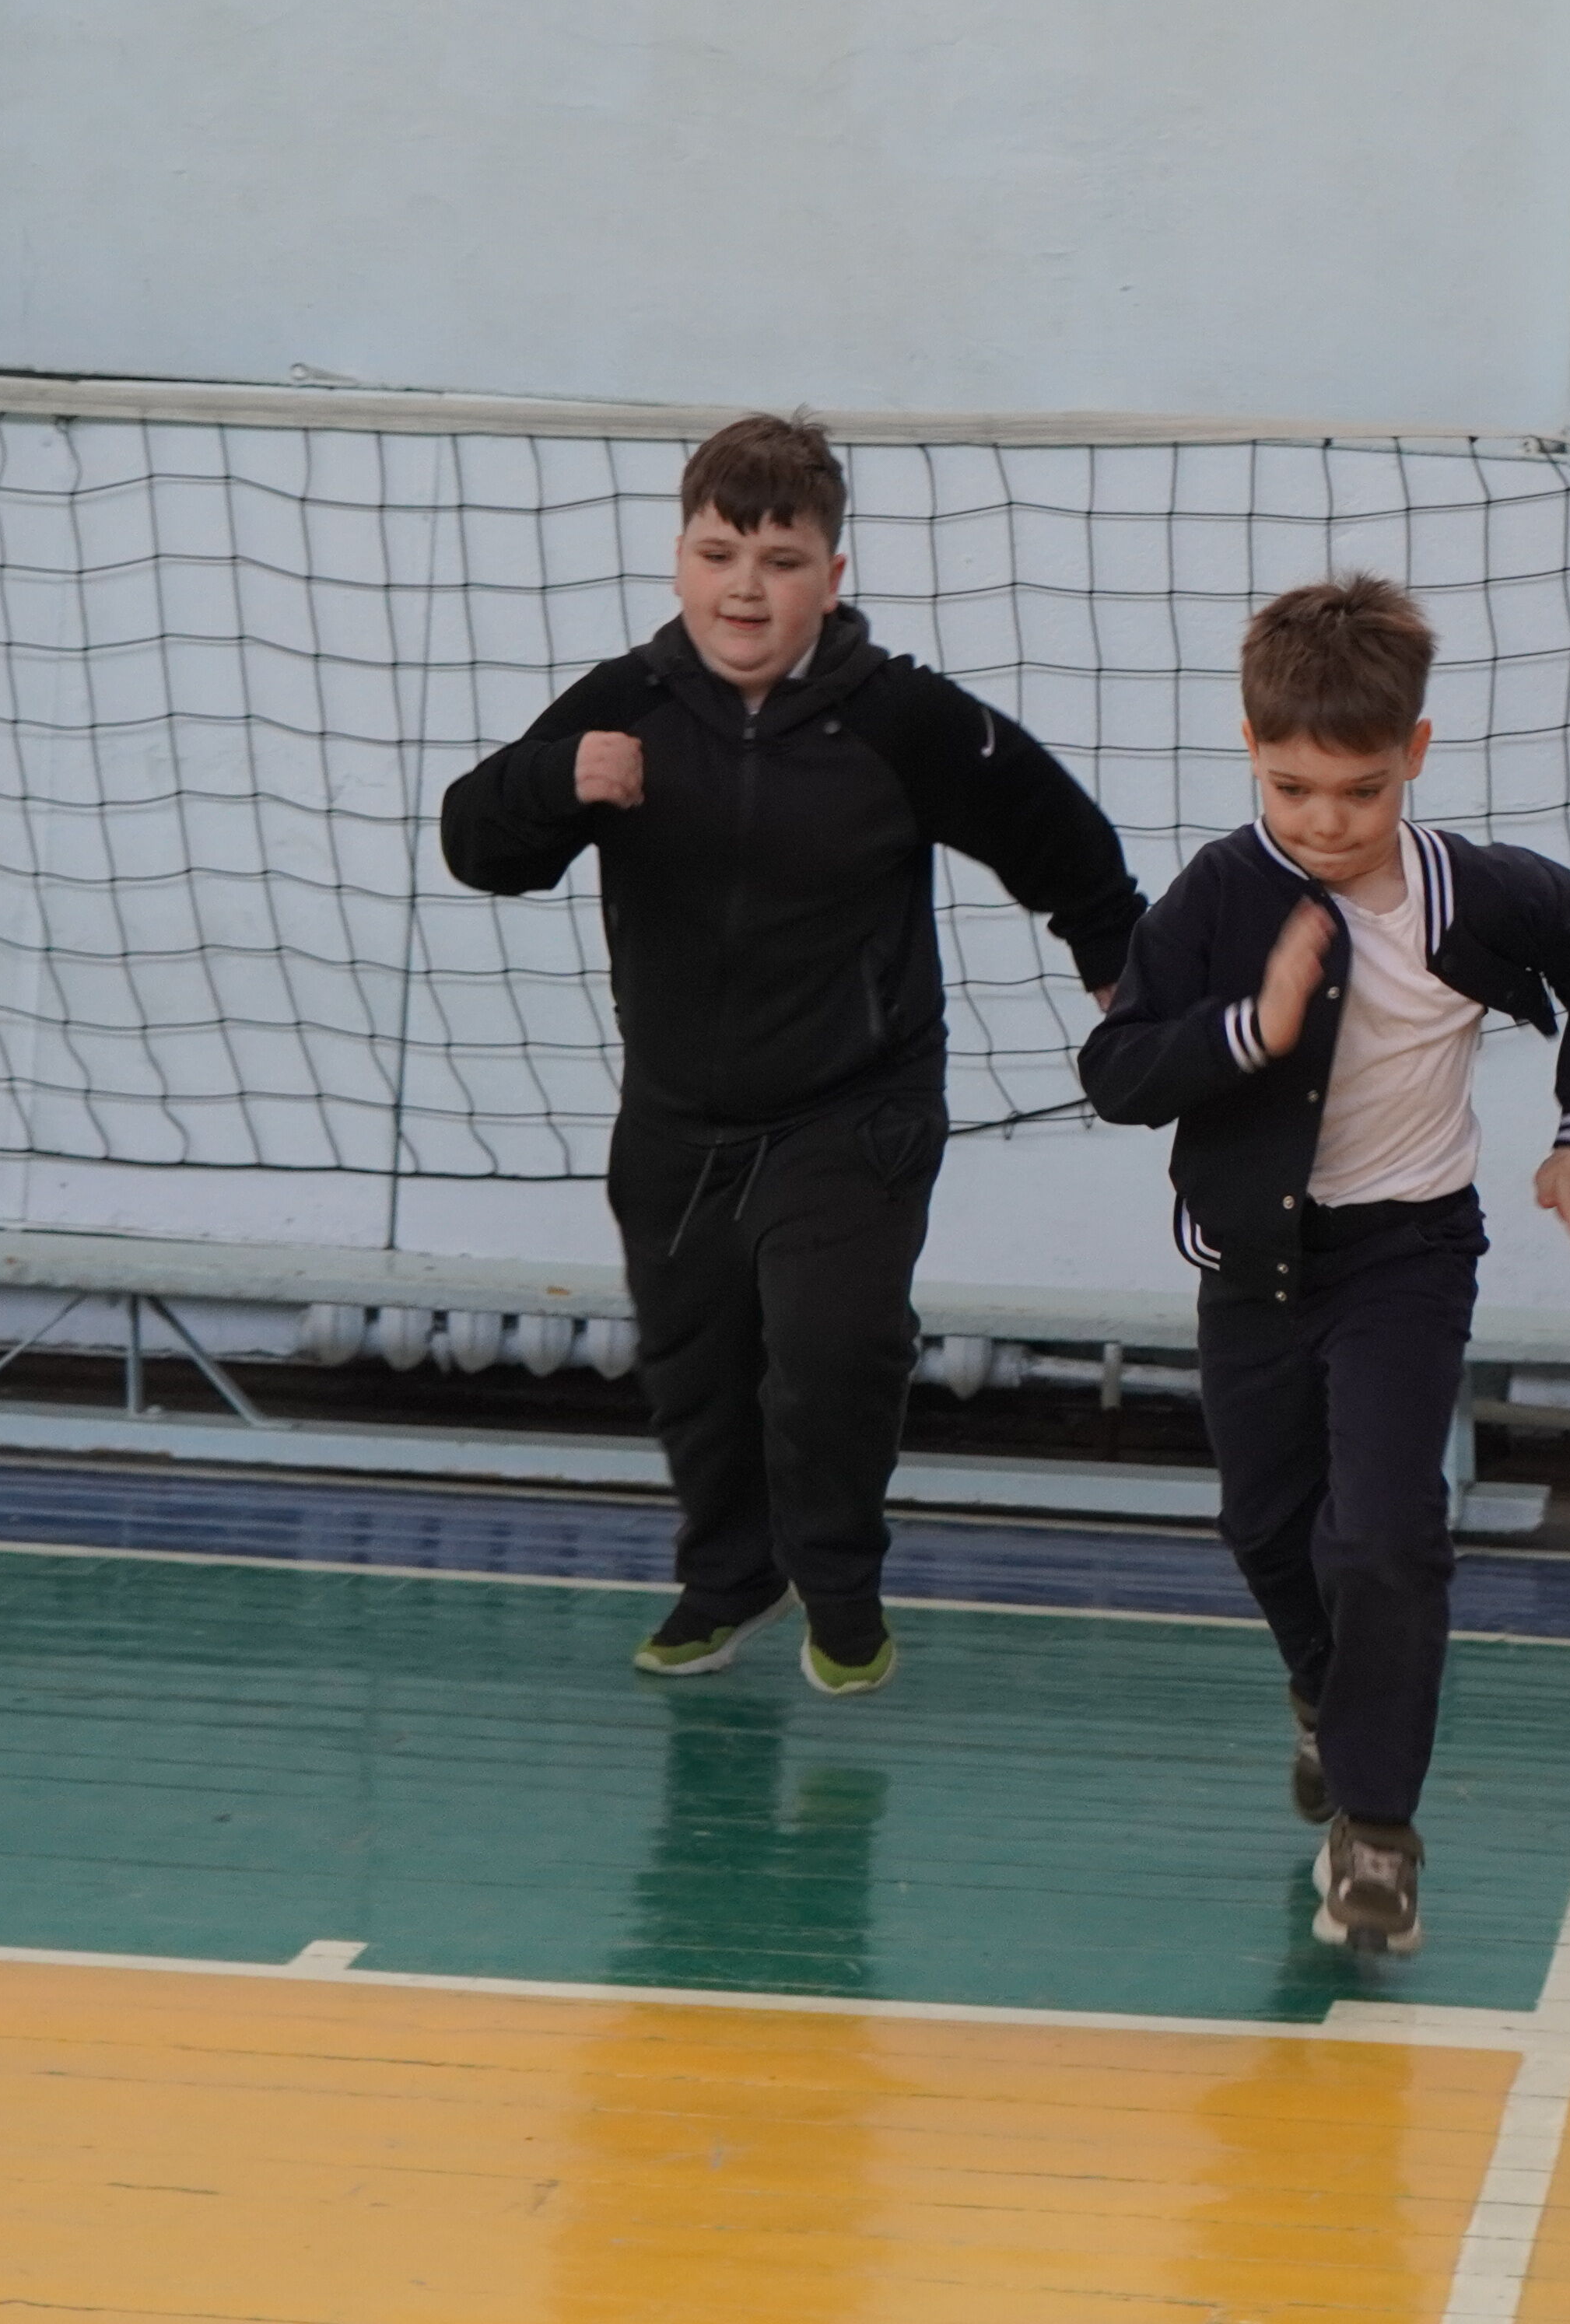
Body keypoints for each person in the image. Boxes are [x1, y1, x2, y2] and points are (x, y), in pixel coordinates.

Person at [440, 412, 1144, 1696]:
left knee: (831, 1353)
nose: (746, 589)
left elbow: (1063, 841)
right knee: (696, 1378)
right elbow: (477, 845)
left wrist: (1121, 972)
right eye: (720, 556)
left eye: (780, 560)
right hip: (676, 1122)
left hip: (854, 1110)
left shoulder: (901, 719)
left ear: (832, 572)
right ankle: (731, 1581)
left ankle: (841, 1589)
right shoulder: (627, 706)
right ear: (680, 561)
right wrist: (556, 780)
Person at [1079, 573, 1570, 1957]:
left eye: (1360, 791)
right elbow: (1118, 1070)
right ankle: (1326, 1698)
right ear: (1250, 750)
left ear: (1416, 754)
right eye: (1292, 790)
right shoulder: (1221, 896)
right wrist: (1250, 1028)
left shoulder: (1474, 895)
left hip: (1408, 1254)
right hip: (1254, 1270)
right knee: (1267, 1529)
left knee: (1387, 1536)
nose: (1325, 823)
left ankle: (1378, 1831)